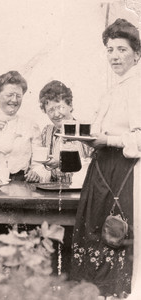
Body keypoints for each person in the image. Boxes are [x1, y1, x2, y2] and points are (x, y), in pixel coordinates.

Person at [70, 19, 140, 298]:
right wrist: (90, 141)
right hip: (103, 172)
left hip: (125, 172)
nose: (115, 56)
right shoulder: (114, 89)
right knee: (98, 238)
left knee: (118, 236)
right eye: (110, 50)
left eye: (122, 49)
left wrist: (107, 140)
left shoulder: (137, 88)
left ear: (137, 54)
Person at [36, 80, 92, 183]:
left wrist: (63, 161)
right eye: (51, 110)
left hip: (80, 189)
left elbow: (91, 167)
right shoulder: (46, 132)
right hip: (53, 191)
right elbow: (42, 167)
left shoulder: (85, 131)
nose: (56, 114)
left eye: (60, 107)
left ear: (70, 105)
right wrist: (37, 172)